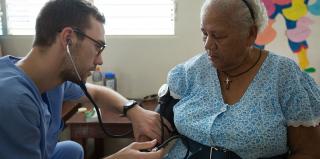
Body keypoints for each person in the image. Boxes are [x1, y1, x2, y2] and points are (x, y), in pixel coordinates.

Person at [0, 0, 166, 159]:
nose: (100, 61)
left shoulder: (52, 77)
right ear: (68, 39)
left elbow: (96, 92)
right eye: (97, 47)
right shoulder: (13, 101)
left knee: (72, 149)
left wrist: (134, 111)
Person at [161, 0, 320, 159]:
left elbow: (309, 151)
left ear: (251, 34)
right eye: (204, 33)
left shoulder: (284, 75)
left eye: (218, 36)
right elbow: (160, 124)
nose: (208, 45)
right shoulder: (192, 70)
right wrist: (138, 112)